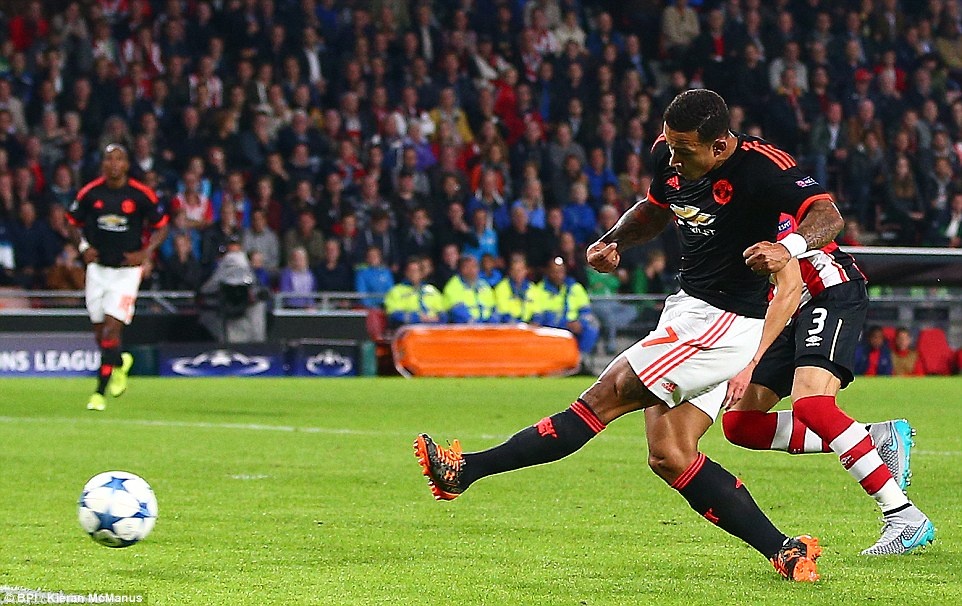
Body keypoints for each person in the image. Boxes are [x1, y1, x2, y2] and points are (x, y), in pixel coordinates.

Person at [415, 89, 847, 582]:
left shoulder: (763, 167)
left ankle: (466, 470)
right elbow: (655, 209)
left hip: (723, 322)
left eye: (684, 151)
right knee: (670, 455)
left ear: (719, 146)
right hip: (688, 309)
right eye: (669, 145)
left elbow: (828, 216)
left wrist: (788, 247)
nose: (673, 158)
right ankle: (786, 550)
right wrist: (614, 240)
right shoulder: (670, 154)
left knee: (605, 396)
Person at [723, 215, 934, 555]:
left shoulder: (760, 204)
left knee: (811, 403)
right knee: (740, 423)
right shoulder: (709, 219)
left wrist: (751, 361)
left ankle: (902, 514)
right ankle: (874, 438)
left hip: (828, 293)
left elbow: (790, 284)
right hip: (787, 311)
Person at [66, 144, 169, 411]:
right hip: (98, 270)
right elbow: (71, 222)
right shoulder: (90, 193)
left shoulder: (140, 194)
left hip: (126, 272)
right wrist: (83, 248)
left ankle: (98, 393)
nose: (113, 164)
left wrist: (145, 253)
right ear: (103, 164)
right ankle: (120, 363)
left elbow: (162, 226)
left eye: (119, 159)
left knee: (112, 329)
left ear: (126, 165)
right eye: (109, 159)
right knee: (101, 335)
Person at [533, 256, 599, 356]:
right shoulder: (539, 290)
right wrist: (563, 323)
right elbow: (538, 316)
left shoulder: (575, 287)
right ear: (548, 272)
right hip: (550, 326)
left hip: (573, 325)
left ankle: (580, 358)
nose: (558, 275)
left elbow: (586, 311)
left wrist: (580, 321)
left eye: (561, 271)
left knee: (591, 325)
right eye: (554, 272)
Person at [383, 258, 447, 328]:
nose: (413, 274)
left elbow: (443, 313)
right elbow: (393, 315)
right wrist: (417, 318)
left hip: (433, 327)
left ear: (422, 273)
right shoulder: (396, 291)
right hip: (409, 328)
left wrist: (437, 318)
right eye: (411, 271)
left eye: (417, 271)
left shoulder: (432, 290)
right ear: (406, 272)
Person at [443, 254, 496, 324]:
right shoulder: (453, 285)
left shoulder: (484, 284)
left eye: (474, 266)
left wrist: (492, 320)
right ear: (460, 269)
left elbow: (493, 306)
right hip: (465, 326)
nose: (471, 270)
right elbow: (456, 310)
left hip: (488, 326)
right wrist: (474, 322)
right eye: (467, 267)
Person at [493, 255, 538, 324]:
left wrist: (534, 321)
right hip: (509, 325)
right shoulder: (501, 287)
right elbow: (502, 312)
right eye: (514, 270)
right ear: (510, 271)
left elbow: (537, 311)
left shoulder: (533, 288)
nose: (517, 273)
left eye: (520, 270)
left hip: (529, 326)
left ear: (526, 271)